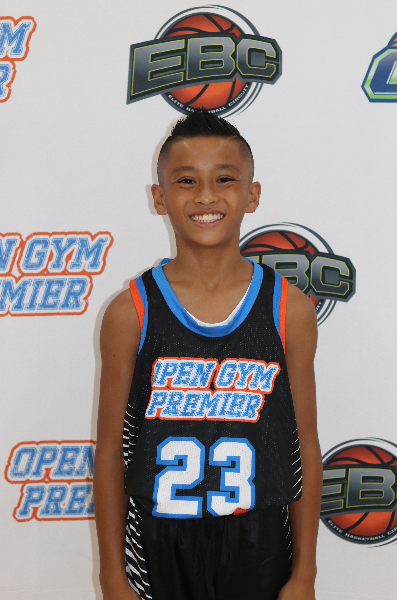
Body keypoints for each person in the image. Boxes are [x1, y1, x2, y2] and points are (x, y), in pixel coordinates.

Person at [94, 109, 323, 600]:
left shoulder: (289, 310)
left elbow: (303, 444)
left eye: (224, 179)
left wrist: (305, 572)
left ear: (252, 194)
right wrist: (111, 575)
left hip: (261, 539)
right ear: (159, 197)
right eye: (185, 180)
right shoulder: (131, 312)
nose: (205, 196)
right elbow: (111, 451)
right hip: (157, 543)